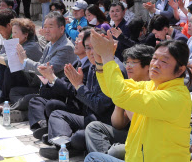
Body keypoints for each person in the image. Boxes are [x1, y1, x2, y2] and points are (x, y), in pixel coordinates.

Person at [85, 29, 192, 161]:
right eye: (154, 58)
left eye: (164, 61)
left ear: (180, 70)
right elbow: (111, 90)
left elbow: (120, 94)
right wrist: (100, 60)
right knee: (93, 158)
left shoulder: (176, 97)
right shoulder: (151, 85)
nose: (155, 64)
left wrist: (108, 57)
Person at [38, 28, 127, 160]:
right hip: (89, 117)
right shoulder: (93, 66)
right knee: (57, 113)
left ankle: (65, 144)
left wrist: (79, 86)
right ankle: (63, 145)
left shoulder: (115, 69)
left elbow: (99, 106)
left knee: (80, 136)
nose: (91, 52)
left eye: (95, 47)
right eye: (88, 48)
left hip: (104, 125)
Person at [85, 44, 154, 160]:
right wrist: (119, 103)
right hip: (130, 136)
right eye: (127, 63)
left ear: (148, 66)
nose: (128, 67)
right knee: (93, 127)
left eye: (133, 63)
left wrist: (123, 97)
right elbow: (118, 124)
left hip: (147, 141)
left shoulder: (154, 87)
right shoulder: (128, 84)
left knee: (114, 151)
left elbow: (141, 124)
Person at [28, 28, 91, 136]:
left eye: (80, 39)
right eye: (76, 38)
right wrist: (49, 81)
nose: (75, 41)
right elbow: (64, 82)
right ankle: (43, 125)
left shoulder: (89, 66)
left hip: (79, 107)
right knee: (35, 100)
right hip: (65, 98)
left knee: (52, 105)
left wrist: (52, 78)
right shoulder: (77, 62)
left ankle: (57, 133)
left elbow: (74, 91)